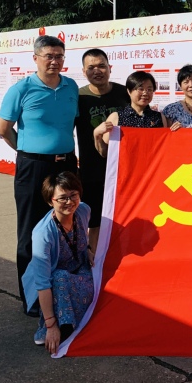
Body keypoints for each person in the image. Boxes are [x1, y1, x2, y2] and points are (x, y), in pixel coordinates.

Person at [0, 36, 79, 315]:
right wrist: (27, 152)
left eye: (59, 56)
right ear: (36, 58)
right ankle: (31, 298)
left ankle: (63, 292)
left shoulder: (70, 87)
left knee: (66, 226)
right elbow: (3, 128)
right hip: (33, 167)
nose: (54, 61)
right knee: (31, 232)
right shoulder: (21, 89)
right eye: (49, 56)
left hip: (66, 165)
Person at [22, 172, 93, 355]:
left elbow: (82, 238)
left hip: (80, 270)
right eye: (62, 198)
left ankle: (73, 324)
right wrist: (50, 324)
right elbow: (43, 283)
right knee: (60, 279)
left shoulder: (83, 210)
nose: (69, 202)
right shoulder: (43, 234)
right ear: (50, 201)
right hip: (55, 282)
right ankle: (61, 327)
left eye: (73, 195)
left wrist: (87, 249)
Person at [75, 49, 130, 262]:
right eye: (91, 67)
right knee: (94, 220)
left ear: (109, 68)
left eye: (101, 66)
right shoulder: (78, 97)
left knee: (124, 216)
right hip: (92, 170)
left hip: (123, 169)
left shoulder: (125, 93)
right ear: (83, 71)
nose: (97, 71)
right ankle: (93, 262)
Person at [94, 71, 172, 155]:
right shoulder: (116, 117)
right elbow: (105, 152)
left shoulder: (159, 117)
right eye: (140, 89)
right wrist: (97, 134)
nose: (145, 93)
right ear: (129, 91)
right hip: (125, 163)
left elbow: (164, 148)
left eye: (149, 89)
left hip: (152, 163)